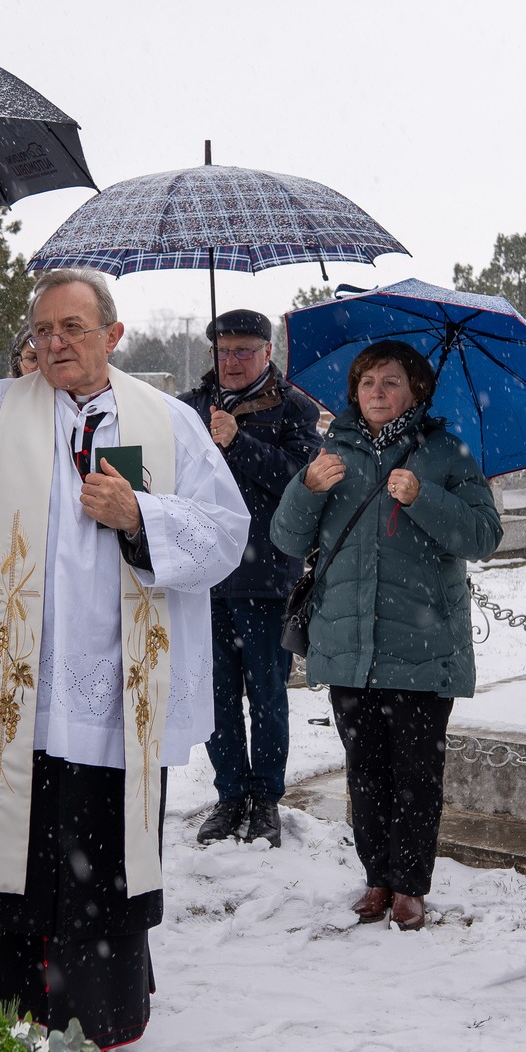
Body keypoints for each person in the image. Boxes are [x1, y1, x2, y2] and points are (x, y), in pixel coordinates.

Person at [0, 265, 248, 1047]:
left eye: (73, 327)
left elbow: (224, 533)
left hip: (110, 695)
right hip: (5, 691)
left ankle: (90, 1019)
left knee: (94, 866)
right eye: (42, 329)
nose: (54, 342)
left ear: (113, 334)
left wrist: (141, 513)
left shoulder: (168, 423)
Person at [270, 340, 500, 931]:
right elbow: (287, 539)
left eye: (391, 381)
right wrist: (307, 487)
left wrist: (424, 497)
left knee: (417, 776)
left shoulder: (445, 452)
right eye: (367, 382)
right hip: (348, 644)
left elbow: (483, 536)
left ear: (416, 390)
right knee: (365, 772)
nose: (376, 392)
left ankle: (410, 886)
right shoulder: (331, 452)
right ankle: (376, 877)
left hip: (423, 646)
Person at [178, 309, 323, 847]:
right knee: (216, 695)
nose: (232, 362)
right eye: (223, 351)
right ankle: (230, 794)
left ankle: (266, 798)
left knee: (266, 695)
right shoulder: (190, 408)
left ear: (267, 352)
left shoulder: (295, 409)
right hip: (205, 578)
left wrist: (239, 442)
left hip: (265, 576)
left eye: (244, 351)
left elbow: (299, 482)